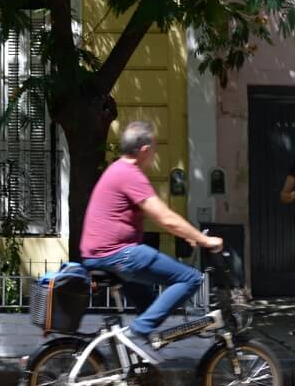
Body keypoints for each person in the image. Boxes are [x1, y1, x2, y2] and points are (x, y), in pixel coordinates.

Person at [80, 120, 223, 344]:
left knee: (150, 308)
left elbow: (156, 218)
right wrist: (204, 239)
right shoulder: (130, 174)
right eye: (154, 148)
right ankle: (138, 330)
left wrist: (187, 234)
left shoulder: (117, 169)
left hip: (101, 255)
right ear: (145, 150)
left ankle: (136, 368)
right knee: (190, 278)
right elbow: (164, 216)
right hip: (119, 254)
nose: (155, 153)